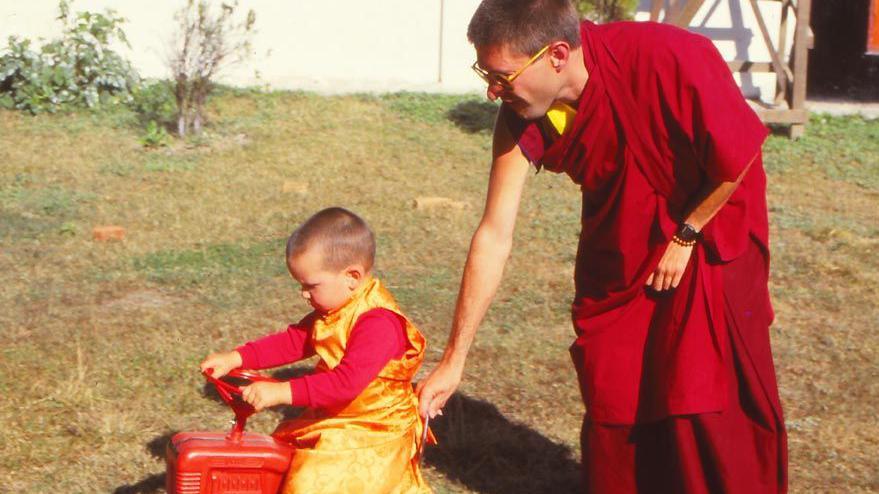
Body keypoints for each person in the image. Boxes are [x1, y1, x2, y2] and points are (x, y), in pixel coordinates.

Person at [416, 0, 787, 492]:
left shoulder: (669, 56)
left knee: (703, 396)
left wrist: (687, 232)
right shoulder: (521, 118)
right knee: (618, 390)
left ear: (557, 55)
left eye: (503, 77)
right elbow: (493, 233)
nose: (492, 91)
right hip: (621, 249)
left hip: (710, 236)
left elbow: (738, 151)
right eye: (486, 74)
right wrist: (454, 359)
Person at [201, 207, 432, 494]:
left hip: (373, 430)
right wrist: (237, 357)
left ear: (352, 277)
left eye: (311, 285)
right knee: (283, 459)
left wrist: (281, 392)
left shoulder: (379, 323)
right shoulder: (334, 311)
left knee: (312, 481)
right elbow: (293, 341)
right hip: (339, 420)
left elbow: (345, 384)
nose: (304, 294)